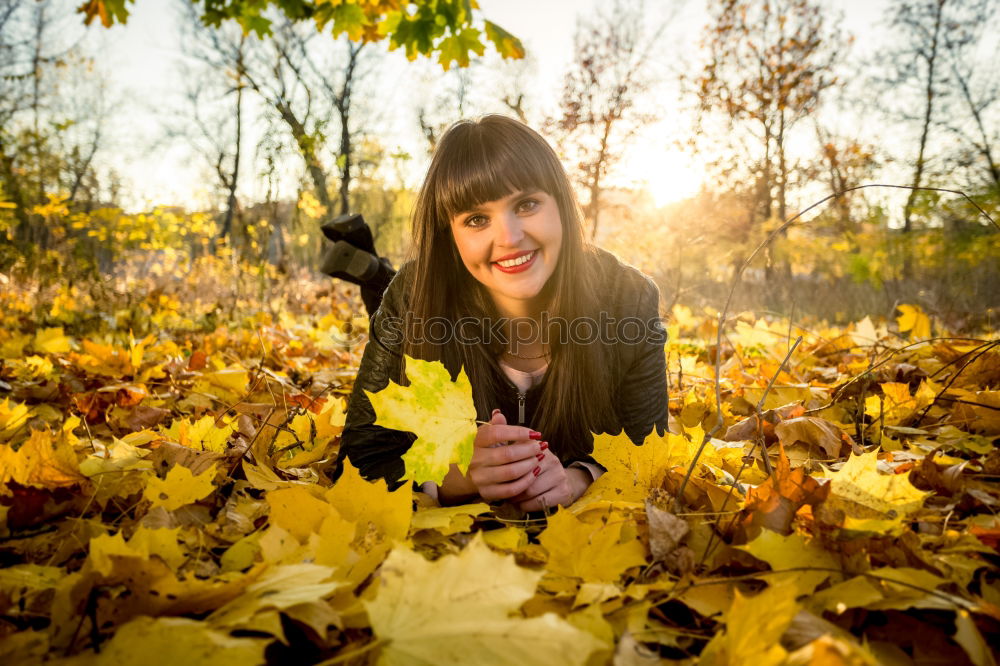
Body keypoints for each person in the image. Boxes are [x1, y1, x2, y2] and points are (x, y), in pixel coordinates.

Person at [330, 115, 668, 511]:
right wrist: (455, 477)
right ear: (449, 234)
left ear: (560, 204)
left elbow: (652, 453)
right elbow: (357, 464)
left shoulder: (628, 298)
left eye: (526, 204)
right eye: (476, 219)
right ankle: (375, 273)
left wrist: (579, 478)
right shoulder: (413, 295)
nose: (508, 237)